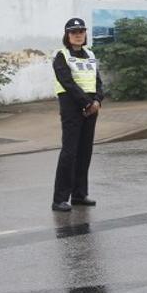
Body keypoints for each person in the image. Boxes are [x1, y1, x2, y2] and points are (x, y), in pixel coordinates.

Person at [51, 18, 105, 212]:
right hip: (72, 106)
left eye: (81, 31)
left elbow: (97, 81)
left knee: (85, 151)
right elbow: (67, 82)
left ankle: (79, 195)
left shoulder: (90, 54)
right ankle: (59, 199)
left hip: (91, 107)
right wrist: (87, 103)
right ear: (67, 35)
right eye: (73, 32)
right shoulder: (61, 55)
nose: (78, 35)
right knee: (70, 152)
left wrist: (97, 100)